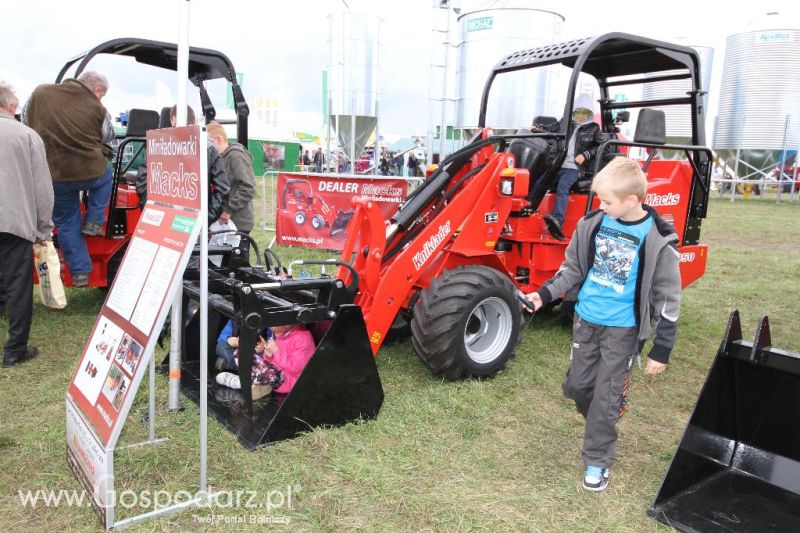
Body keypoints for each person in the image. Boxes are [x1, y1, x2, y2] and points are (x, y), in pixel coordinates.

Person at [526, 157, 681, 492]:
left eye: (607, 201)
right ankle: (607, 410)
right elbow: (572, 269)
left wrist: (662, 348)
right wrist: (543, 295)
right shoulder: (593, 224)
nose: (601, 205)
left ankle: (597, 459)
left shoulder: (658, 239)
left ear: (632, 201)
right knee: (579, 388)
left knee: (605, 399)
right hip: (586, 322)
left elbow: (668, 297)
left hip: (623, 330)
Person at [23, 71, 115, 287]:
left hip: (55, 174)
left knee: (65, 223)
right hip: (89, 171)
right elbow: (108, 135)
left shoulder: (40, 92)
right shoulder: (97, 106)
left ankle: (80, 272)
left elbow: (27, 121)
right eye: (102, 95)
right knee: (106, 177)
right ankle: (94, 220)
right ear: (97, 90)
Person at [0, 81, 54, 366]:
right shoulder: (27, 135)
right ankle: (14, 350)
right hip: (13, 221)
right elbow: (42, 188)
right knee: (19, 286)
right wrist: (43, 228)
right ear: (11, 106)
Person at [134, 105, 230, 226]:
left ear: (173, 119)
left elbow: (143, 181)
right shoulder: (209, 149)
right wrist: (205, 219)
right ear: (194, 121)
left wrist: (153, 214)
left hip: (165, 221)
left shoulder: (157, 146)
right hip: (188, 223)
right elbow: (223, 189)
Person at [538, 95, 601, 241]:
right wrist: (537, 128)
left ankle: (557, 221)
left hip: (576, 169)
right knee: (540, 180)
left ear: (590, 113)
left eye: (584, 113)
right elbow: (550, 128)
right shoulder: (565, 124)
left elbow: (601, 146)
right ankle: (526, 209)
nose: (580, 116)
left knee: (562, 187)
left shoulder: (594, 129)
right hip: (560, 164)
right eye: (577, 112)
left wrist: (585, 155)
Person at [216, 322, 315, 398]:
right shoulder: (282, 335)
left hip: (287, 380)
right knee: (240, 352)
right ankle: (257, 384)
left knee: (268, 371)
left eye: (273, 326)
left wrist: (276, 352)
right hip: (272, 373)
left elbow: (296, 367)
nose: (271, 328)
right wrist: (268, 356)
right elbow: (270, 362)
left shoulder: (303, 337)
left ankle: (243, 383)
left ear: (287, 324)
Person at [206, 122, 256, 259]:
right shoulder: (221, 158)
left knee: (236, 263)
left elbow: (249, 187)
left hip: (237, 221)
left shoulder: (235, 156)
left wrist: (228, 210)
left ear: (218, 139)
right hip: (226, 221)